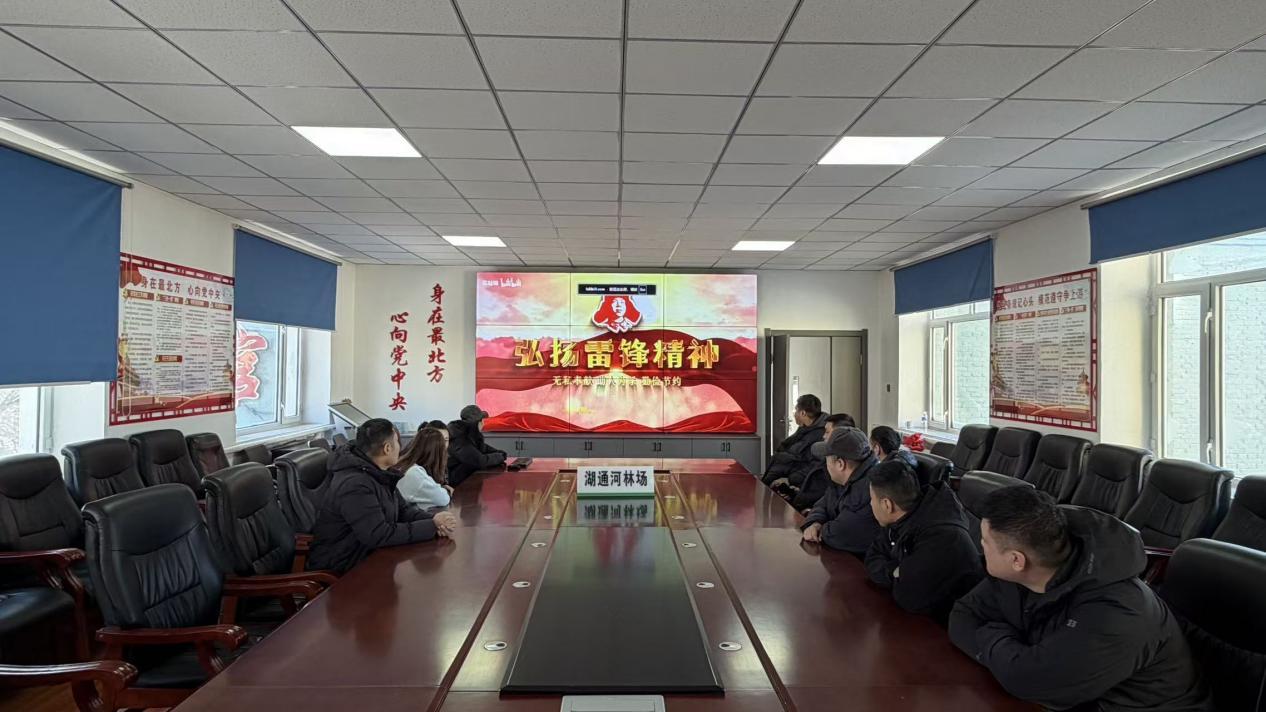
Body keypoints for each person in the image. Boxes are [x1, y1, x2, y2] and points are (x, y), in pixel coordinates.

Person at [949, 487, 1212, 712]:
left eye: (985, 542)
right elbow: (962, 617)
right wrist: (1012, 656)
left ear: (1016, 560)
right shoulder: (1022, 572)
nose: (981, 546)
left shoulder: (1117, 612)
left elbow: (1029, 681)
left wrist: (994, 637)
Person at [308, 419, 457, 575]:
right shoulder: (355, 484)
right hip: (345, 564)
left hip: (367, 555)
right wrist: (431, 526)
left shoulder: (379, 473)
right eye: (397, 442)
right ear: (387, 448)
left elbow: (403, 510)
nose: (400, 447)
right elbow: (378, 534)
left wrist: (435, 520)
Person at [864, 459, 982, 623]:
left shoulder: (942, 537)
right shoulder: (902, 518)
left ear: (886, 505)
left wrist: (898, 571)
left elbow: (908, 597)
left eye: (872, 499)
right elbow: (872, 556)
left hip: (948, 626)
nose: (870, 504)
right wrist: (894, 572)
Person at [799, 426, 881, 555]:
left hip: (860, 563)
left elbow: (841, 533)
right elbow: (822, 504)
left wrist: (820, 530)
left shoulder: (871, 488)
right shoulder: (842, 480)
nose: (826, 464)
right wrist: (815, 522)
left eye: (827, 459)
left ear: (840, 464)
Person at [782, 413, 855, 512]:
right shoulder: (823, 456)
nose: (824, 436)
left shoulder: (841, 469)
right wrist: (795, 493)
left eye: (827, 432)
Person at [762, 394, 827, 487]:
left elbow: (812, 465)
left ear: (803, 413)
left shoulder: (821, 434)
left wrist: (791, 479)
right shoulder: (805, 427)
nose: (794, 414)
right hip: (783, 468)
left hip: (791, 476)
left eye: (796, 410)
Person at [394, 425, 453, 510]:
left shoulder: (406, 465)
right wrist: (444, 490)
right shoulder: (414, 473)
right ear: (438, 452)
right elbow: (443, 499)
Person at [447, 405, 507, 487]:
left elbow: (483, 448)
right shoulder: (458, 438)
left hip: (468, 479)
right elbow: (480, 461)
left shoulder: (469, 434)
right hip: (458, 484)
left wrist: (499, 453)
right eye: (481, 421)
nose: (483, 423)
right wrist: (501, 456)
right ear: (476, 423)